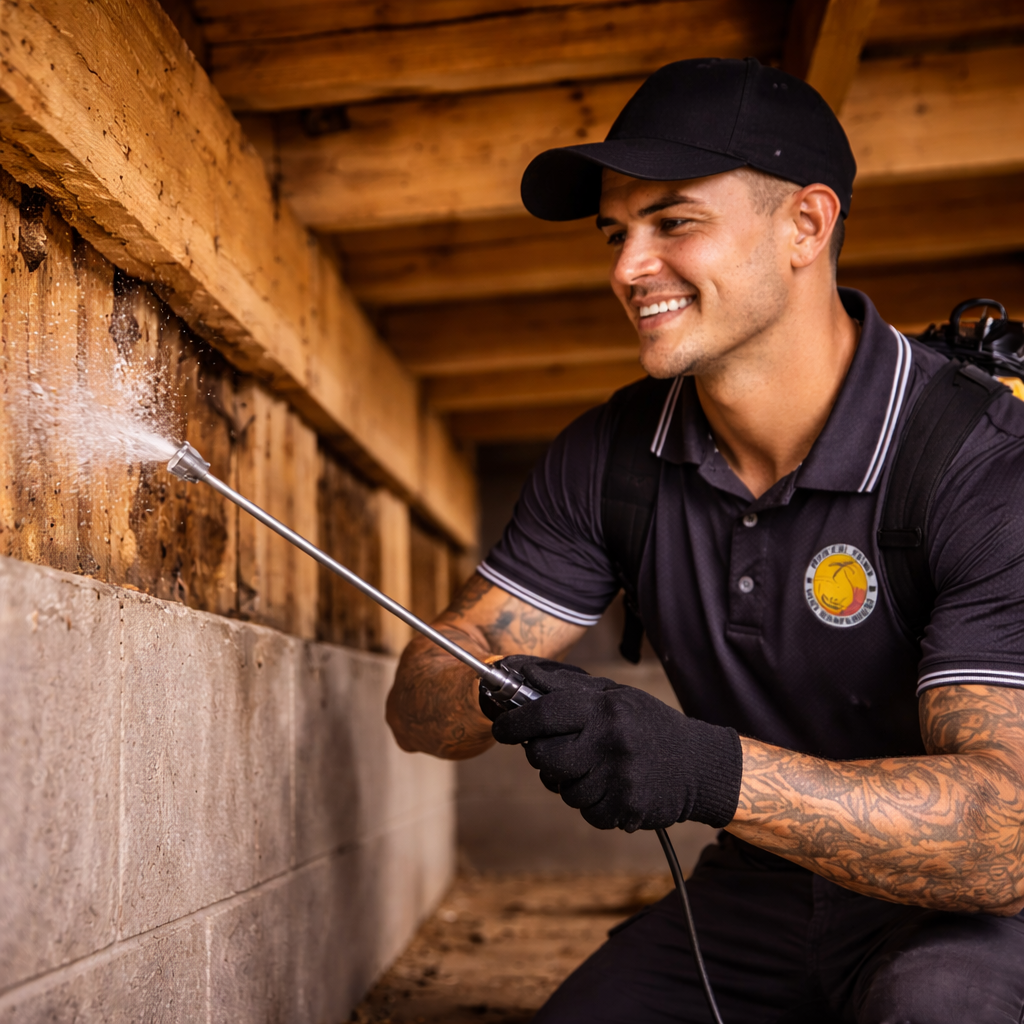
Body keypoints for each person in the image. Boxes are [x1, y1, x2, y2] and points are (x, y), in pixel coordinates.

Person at [386, 58, 1024, 1022]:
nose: (625, 267)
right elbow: (419, 713)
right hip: (759, 897)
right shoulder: (609, 454)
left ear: (806, 224)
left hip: (973, 913)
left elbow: (1002, 838)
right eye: (616, 232)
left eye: (673, 222)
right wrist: (505, 687)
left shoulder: (982, 460)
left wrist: (702, 767)